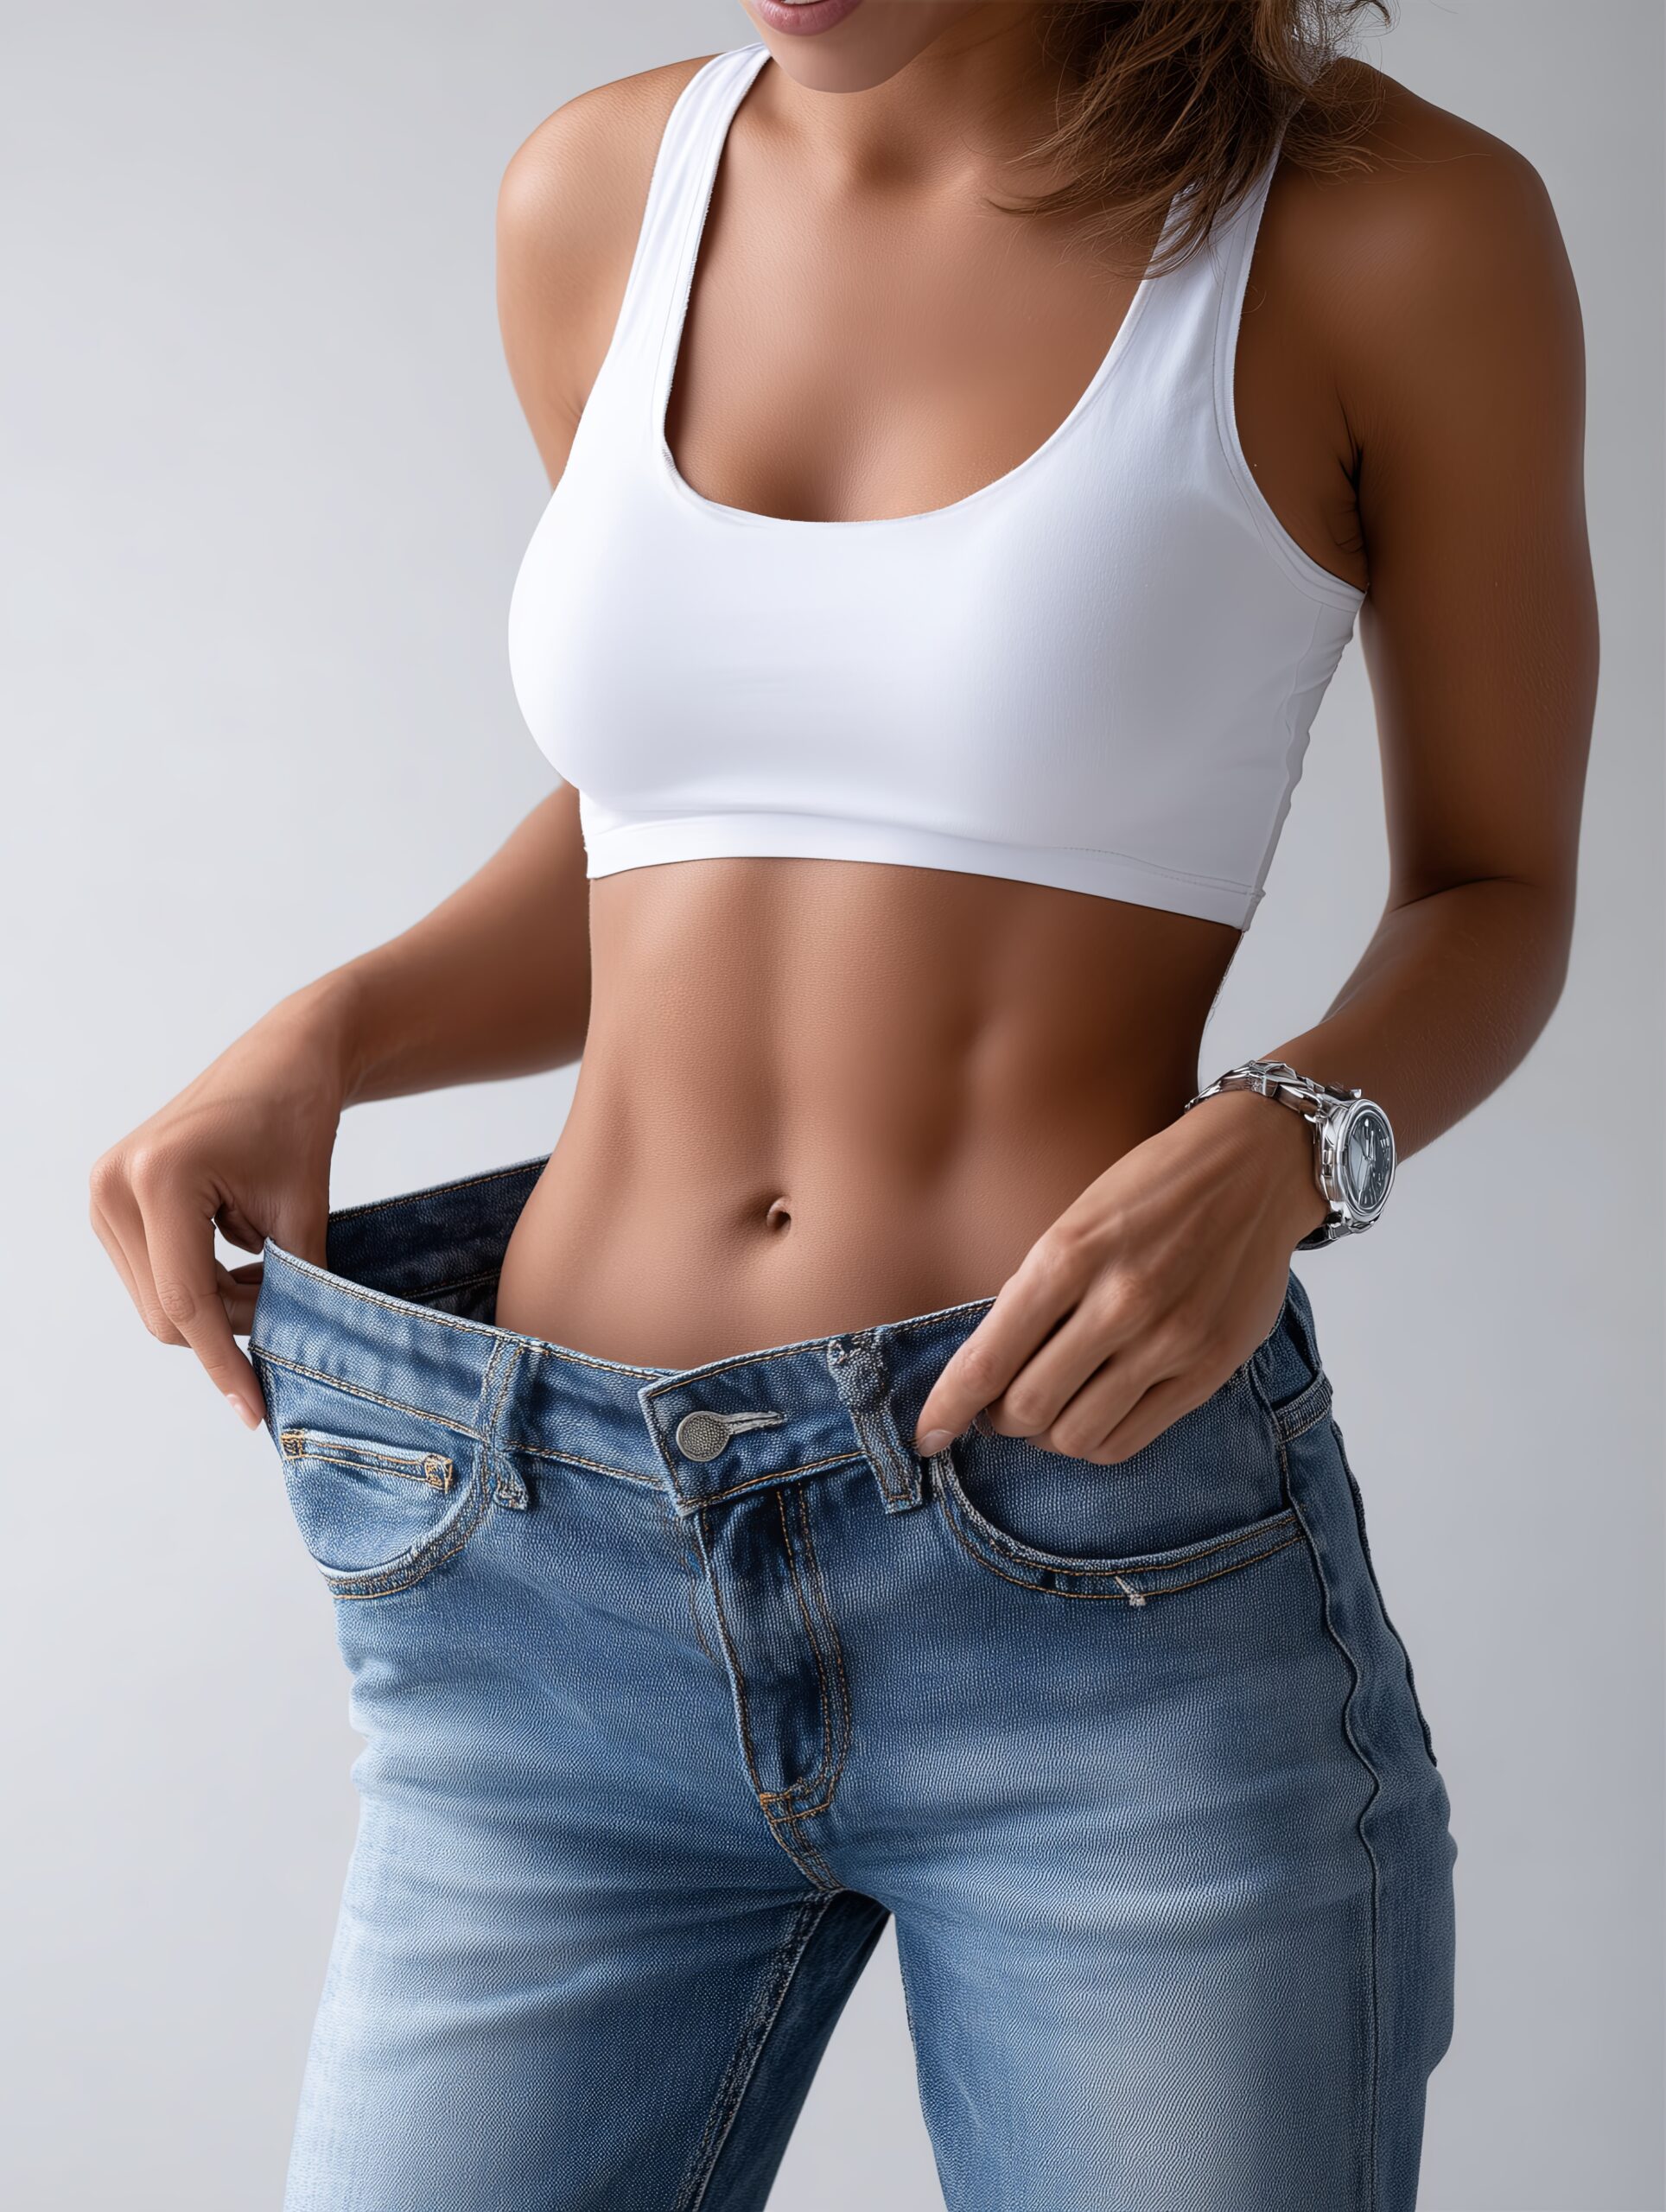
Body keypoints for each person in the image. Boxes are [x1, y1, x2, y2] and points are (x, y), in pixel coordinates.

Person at [88, 3, 1596, 2206]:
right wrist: (335, 1025)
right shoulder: (595, 189)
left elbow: (1497, 884)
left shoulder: (1384, 226)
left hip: (1095, 1587)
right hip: (538, 1584)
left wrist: (1290, 1141)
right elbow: (691, 808)